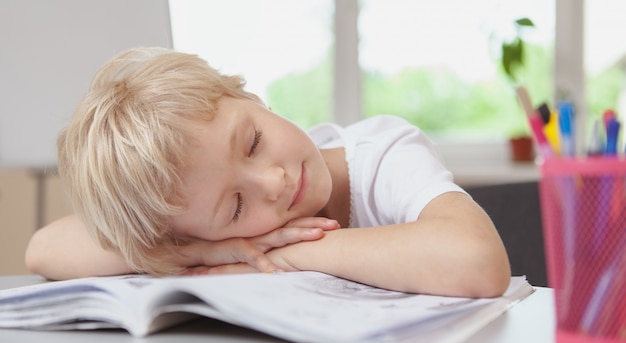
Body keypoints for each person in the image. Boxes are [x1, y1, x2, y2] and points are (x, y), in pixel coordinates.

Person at [25, 47, 511, 297]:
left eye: (253, 141)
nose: (274, 182)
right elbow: (42, 249)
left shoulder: (383, 153)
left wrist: (293, 251)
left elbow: (478, 264)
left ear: (251, 99)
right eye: (235, 207)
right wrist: (202, 251)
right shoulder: (207, 237)